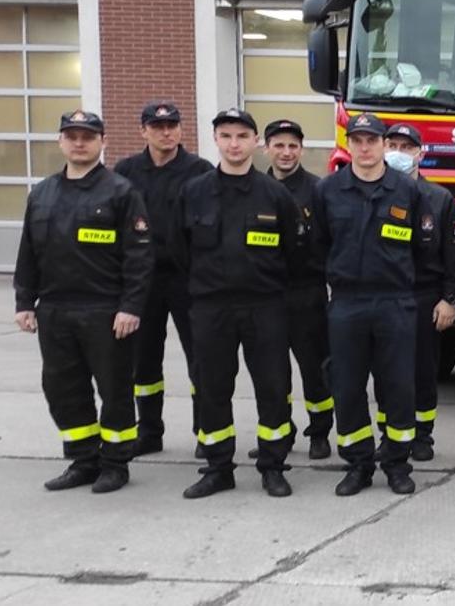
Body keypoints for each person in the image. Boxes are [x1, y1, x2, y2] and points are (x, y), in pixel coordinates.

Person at [16, 110, 152, 494]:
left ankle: (115, 462)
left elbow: (139, 257)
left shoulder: (120, 192)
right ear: (60, 141)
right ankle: (83, 459)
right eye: (72, 136)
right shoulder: (42, 193)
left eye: (88, 137)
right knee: (63, 387)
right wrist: (24, 301)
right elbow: (28, 252)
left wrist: (131, 306)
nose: (79, 143)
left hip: (105, 309)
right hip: (55, 309)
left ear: (102, 142)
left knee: (114, 389)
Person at [173, 108, 303, 499]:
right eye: (226, 136)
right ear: (216, 139)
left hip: (265, 307)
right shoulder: (193, 192)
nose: (234, 144)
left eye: (242, 136)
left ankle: (273, 466)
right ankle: (218, 468)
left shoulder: (275, 194)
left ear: (254, 143)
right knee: (212, 387)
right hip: (211, 308)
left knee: (273, 386)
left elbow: (295, 252)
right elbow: (179, 251)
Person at [309, 113, 434, 496]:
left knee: (397, 386)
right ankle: (358, 464)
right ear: (349, 144)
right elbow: (319, 246)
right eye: (357, 140)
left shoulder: (408, 191)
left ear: (384, 144)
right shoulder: (328, 190)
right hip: (347, 302)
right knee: (347, 386)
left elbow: (422, 250)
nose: (364, 148)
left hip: (395, 302)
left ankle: (397, 463)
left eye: (372, 140)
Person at [114, 100, 212, 456]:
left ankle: (206, 431)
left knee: (199, 358)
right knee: (144, 361)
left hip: (187, 279)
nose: (166, 132)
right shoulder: (126, 172)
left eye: (172, 125)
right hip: (143, 281)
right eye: (158, 127)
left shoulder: (200, 170)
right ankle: (150, 432)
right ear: (143, 131)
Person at [383, 123, 455, 461]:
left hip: (424, 296)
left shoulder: (439, 199)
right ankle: (389, 436)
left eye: (407, 146)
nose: (399, 153)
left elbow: (453, 257)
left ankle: (422, 436)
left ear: (420, 152)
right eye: (393, 145)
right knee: (386, 369)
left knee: (423, 370)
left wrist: (449, 299)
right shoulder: (375, 192)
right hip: (384, 295)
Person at [263, 120, 333, 458]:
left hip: (307, 293)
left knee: (315, 370)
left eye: (293, 146)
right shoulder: (256, 188)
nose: (286, 152)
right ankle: (280, 433)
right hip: (267, 296)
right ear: (267, 148)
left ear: (301, 150)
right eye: (279, 145)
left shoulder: (318, 190)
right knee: (273, 372)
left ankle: (319, 433)